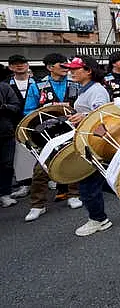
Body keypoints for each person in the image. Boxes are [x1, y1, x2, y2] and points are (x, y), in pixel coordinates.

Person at [23, 53, 82, 222]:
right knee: (41, 168)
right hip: (46, 133)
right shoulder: (37, 86)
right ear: (50, 67)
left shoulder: (75, 84)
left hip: (70, 128)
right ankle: (37, 205)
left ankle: (74, 194)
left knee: (74, 161)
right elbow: (28, 111)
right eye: (61, 65)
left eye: (67, 65)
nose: (66, 68)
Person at [61, 56, 113, 236]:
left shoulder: (97, 90)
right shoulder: (85, 89)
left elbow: (103, 115)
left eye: (76, 69)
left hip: (93, 141)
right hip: (87, 139)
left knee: (87, 182)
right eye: (71, 69)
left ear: (88, 70)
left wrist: (84, 116)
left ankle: (99, 219)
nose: (71, 72)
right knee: (99, 179)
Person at [6, 55, 36, 198]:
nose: (20, 66)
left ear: (28, 65)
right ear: (10, 67)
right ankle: (25, 184)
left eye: (23, 63)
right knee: (20, 154)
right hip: (14, 123)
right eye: (15, 64)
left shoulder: (38, 83)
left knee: (39, 150)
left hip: (36, 124)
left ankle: (48, 178)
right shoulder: (6, 84)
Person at [0, 65, 21, 208]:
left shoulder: (4, 87)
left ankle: (5, 194)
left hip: (5, 132)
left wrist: (3, 107)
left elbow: (16, 106)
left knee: (7, 164)